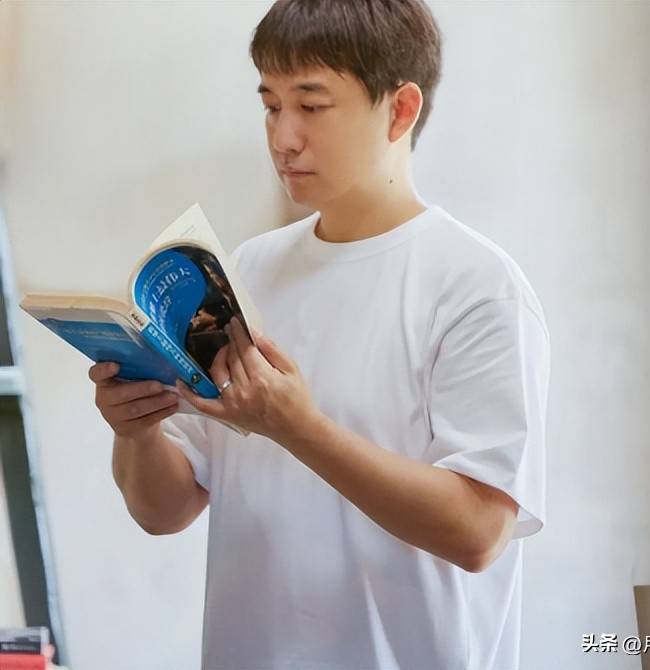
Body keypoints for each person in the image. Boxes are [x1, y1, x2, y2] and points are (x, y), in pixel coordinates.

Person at [90, 1, 551, 668]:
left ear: (400, 110)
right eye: (271, 105)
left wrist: (300, 429)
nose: (284, 137)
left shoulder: (476, 285)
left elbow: (479, 532)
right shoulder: (246, 270)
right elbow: (164, 511)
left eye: (312, 105)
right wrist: (135, 431)